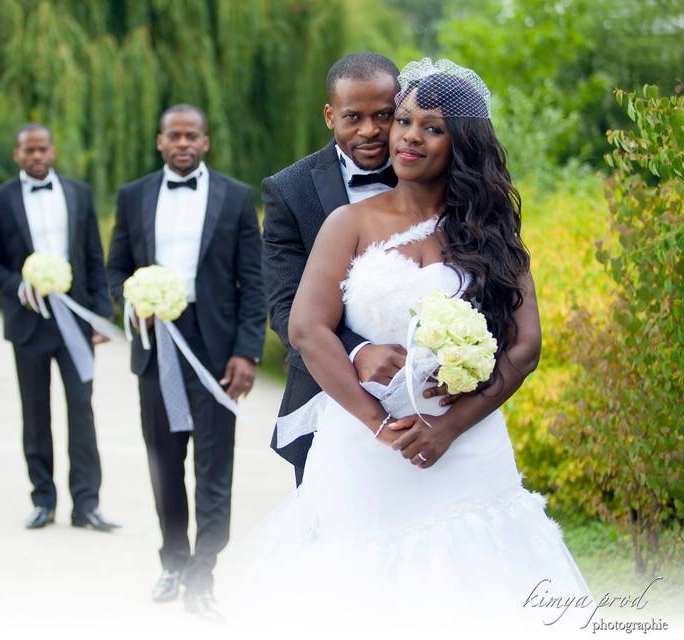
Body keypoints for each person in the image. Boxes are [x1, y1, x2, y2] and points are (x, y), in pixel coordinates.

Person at [243, 59, 590, 631]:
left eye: (432, 127)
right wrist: (379, 424)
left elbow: (526, 345)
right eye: (403, 121)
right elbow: (304, 328)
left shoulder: (491, 228)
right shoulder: (347, 223)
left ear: (463, 142)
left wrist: (451, 427)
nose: (405, 135)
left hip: (469, 445)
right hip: (364, 445)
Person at [263, 52, 454, 486]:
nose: (370, 130)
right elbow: (285, 306)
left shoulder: (442, 177)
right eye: (353, 117)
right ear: (330, 116)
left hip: (434, 405)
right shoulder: (289, 191)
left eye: (384, 115)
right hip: (328, 401)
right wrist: (357, 352)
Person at [106, 104, 265, 619]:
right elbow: (115, 270)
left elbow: (254, 282)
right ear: (159, 142)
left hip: (216, 348)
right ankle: (172, 560)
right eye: (173, 136)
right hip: (157, 348)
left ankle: (203, 575)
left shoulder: (237, 198)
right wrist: (133, 303)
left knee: (215, 465)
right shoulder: (133, 197)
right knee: (164, 461)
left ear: (205, 142)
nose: (182, 143)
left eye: (191, 135)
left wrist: (247, 351)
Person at [0, 124, 118, 532]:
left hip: (75, 323)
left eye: (42, 149)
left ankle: (87, 505)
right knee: (35, 414)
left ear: (53, 151)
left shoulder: (79, 193)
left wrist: (99, 313)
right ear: (17, 154)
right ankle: (43, 500)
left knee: (82, 411)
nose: (36, 156)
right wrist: (21, 287)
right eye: (28, 150)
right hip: (28, 326)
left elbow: (93, 253)